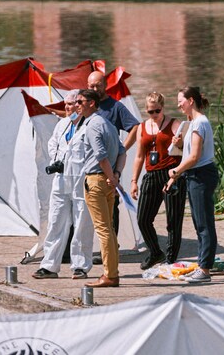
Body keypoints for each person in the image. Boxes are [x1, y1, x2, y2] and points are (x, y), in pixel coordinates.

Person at [32, 91, 96, 280]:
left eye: (71, 104)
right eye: (66, 105)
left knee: (82, 223)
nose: (68, 108)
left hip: (80, 179)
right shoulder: (62, 124)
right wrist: (57, 160)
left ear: (79, 105)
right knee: (55, 221)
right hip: (61, 181)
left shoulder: (89, 125)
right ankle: (50, 265)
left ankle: (80, 265)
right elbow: (53, 144)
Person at [164, 86, 218, 284]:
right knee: (199, 222)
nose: (178, 104)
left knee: (204, 223)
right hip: (195, 175)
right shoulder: (192, 123)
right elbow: (188, 153)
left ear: (191, 101)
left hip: (201, 174)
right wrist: (178, 145)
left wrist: (176, 172)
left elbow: (194, 157)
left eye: (181, 100)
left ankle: (204, 269)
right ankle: (203, 265)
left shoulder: (199, 123)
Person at [86, 70, 140, 258]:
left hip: (109, 167)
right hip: (89, 168)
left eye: (97, 85)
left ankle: (110, 249)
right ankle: (94, 248)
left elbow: (135, 126)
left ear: (106, 85)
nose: (94, 89)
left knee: (111, 208)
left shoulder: (114, 107)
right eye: (91, 86)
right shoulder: (86, 106)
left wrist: (122, 149)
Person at [74, 88, 124, 288]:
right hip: (107, 181)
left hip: (96, 180)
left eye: (80, 101)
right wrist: (116, 176)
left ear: (91, 103)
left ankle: (109, 275)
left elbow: (100, 155)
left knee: (103, 230)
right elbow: (122, 152)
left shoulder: (93, 125)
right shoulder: (108, 125)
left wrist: (112, 177)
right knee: (109, 229)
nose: (77, 105)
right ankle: (112, 272)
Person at [130, 92, 186, 270]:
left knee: (173, 220)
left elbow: (187, 149)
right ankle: (155, 251)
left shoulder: (174, 123)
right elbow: (139, 156)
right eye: (150, 111)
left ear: (163, 108)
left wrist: (180, 143)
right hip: (151, 174)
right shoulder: (142, 127)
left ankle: (170, 259)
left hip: (171, 174)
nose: (154, 115)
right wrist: (134, 181)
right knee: (143, 219)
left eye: (157, 111)